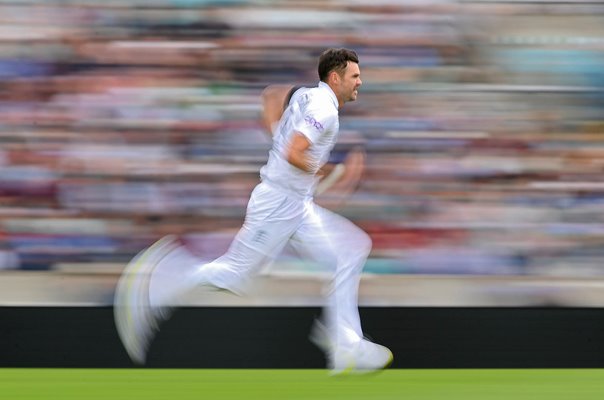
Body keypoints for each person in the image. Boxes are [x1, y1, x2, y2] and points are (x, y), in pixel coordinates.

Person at [114, 48, 393, 374]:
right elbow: (294, 153)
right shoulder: (325, 111)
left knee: (352, 248)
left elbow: (271, 95)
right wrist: (327, 171)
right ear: (335, 78)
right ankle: (157, 280)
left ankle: (345, 344)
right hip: (277, 204)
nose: (360, 81)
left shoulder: (307, 95)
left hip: (296, 205)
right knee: (234, 275)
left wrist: (281, 137)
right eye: (355, 76)